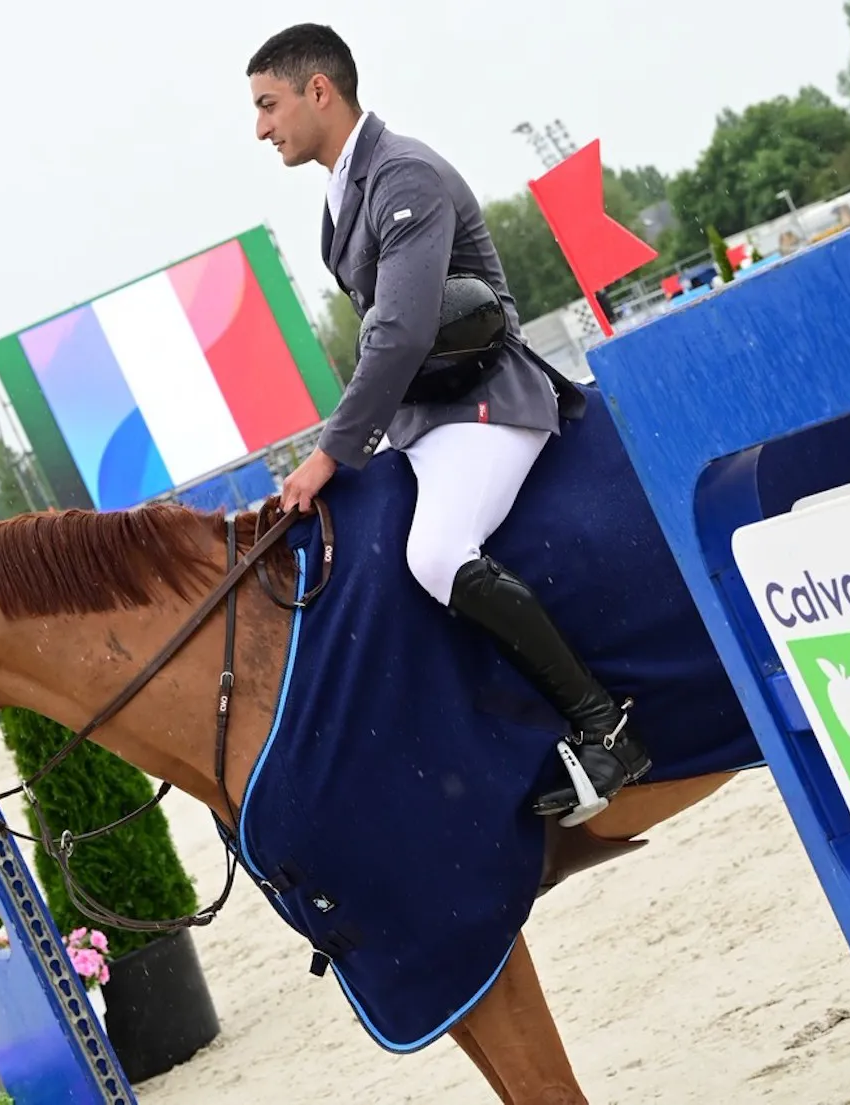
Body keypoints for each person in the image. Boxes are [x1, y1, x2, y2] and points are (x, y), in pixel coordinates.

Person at [244, 23, 651, 825]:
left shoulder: (403, 176)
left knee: (435, 553)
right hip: (426, 417)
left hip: (487, 403)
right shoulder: (344, 193)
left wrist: (331, 452)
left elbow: (396, 333)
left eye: (268, 104)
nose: (261, 127)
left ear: (318, 90)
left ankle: (609, 728)